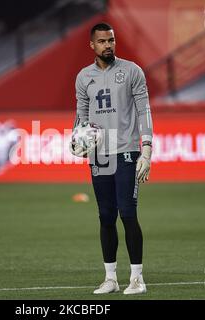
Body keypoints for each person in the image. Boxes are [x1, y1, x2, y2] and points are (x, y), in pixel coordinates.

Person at [70, 23, 153, 295]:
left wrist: (147, 148)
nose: (108, 45)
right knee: (106, 216)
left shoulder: (132, 71)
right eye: (102, 41)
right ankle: (110, 278)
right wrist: (76, 137)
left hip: (127, 151)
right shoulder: (84, 77)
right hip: (99, 155)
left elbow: (144, 111)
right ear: (91, 46)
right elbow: (81, 115)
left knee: (128, 214)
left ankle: (137, 279)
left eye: (111, 40)